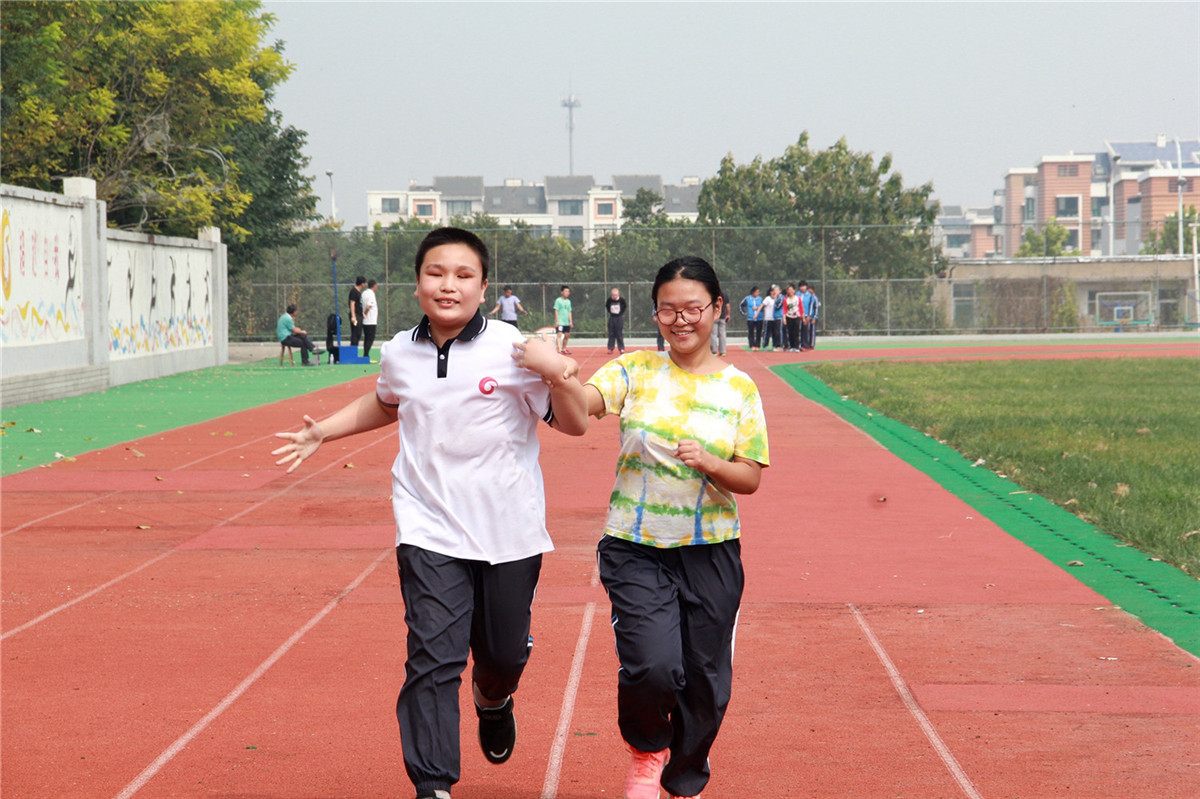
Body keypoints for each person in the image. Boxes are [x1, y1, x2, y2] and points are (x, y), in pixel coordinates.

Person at [272, 227, 588, 799]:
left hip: (509, 530)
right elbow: (386, 401)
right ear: (417, 283)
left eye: (463, 275)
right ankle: (433, 784)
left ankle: (493, 699)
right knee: (432, 657)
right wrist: (325, 430)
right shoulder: (399, 350)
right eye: (436, 273)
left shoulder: (514, 348)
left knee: (501, 654)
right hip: (428, 526)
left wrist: (557, 370)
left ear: (484, 287)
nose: (449, 285)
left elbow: (574, 424)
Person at [579, 256, 769, 799]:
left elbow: (750, 477)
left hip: (710, 550)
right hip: (635, 546)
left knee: (705, 680)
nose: (680, 320)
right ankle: (646, 753)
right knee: (653, 666)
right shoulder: (633, 370)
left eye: (693, 308)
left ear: (718, 310)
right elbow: (583, 404)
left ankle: (683, 779)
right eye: (668, 309)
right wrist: (558, 372)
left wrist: (711, 463)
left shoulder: (740, 388)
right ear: (655, 313)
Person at [739, 286, 763, 351]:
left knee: (759, 332)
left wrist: (758, 308)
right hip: (750, 318)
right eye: (756, 292)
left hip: (759, 318)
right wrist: (745, 313)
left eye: (758, 292)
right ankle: (752, 345)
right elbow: (741, 306)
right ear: (753, 292)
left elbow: (763, 307)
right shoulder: (747, 298)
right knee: (751, 332)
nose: (757, 293)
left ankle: (757, 345)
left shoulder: (761, 299)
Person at [799, 280, 821, 351]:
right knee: (803, 331)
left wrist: (814, 317)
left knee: (810, 332)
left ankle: (810, 345)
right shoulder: (798, 294)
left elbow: (816, 308)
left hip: (810, 317)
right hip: (801, 316)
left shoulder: (813, 297)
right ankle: (803, 345)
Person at [361, 278, 379, 361]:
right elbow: (369, 306)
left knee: (366, 338)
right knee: (370, 338)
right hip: (371, 320)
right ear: (374, 286)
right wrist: (365, 313)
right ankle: (366, 355)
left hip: (365, 321)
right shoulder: (371, 294)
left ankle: (365, 354)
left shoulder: (364, 293)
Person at [606, 287, 627, 354]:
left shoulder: (622, 300)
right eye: (613, 295)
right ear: (611, 295)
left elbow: (624, 307)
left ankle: (621, 348)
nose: (615, 296)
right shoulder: (609, 300)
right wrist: (611, 312)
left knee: (619, 333)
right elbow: (607, 307)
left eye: (616, 295)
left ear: (618, 294)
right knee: (611, 333)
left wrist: (620, 313)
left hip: (619, 318)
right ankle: (610, 348)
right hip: (612, 317)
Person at [709, 289, 730, 356]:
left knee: (713, 334)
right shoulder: (725, 295)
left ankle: (714, 351)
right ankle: (723, 351)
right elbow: (728, 306)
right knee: (722, 334)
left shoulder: (712, 295)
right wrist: (728, 314)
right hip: (722, 317)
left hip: (714, 316)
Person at [782, 283, 802, 352]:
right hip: (789, 316)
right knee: (790, 332)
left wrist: (803, 317)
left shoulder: (798, 298)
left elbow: (801, 308)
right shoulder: (786, 300)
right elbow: (784, 309)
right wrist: (784, 318)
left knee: (796, 332)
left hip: (796, 316)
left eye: (791, 290)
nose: (790, 291)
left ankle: (797, 347)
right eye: (788, 290)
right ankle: (792, 346)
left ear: (794, 290)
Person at [554, 285, 573, 354]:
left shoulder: (568, 301)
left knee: (567, 335)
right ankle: (559, 349)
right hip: (560, 322)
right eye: (566, 291)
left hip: (566, 322)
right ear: (562, 292)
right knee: (559, 334)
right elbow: (556, 310)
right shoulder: (558, 300)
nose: (567, 293)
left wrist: (570, 321)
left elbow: (569, 311)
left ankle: (564, 348)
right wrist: (557, 321)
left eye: (568, 291)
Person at [349, 276, 367, 349]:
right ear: (362, 284)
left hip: (359, 315)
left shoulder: (359, 292)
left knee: (358, 333)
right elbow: (352, 303)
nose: (365, 285)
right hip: (355, 316)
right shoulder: (353, 291)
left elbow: (359, 304)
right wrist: (353, 316)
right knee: (355, 333)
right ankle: (353, 351)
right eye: (364, 283)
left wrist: (362, 313)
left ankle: (355, 349)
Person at [760, 285, 779, 352]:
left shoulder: (778, 299)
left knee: (775, 333)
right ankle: (765, 345)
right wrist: (757, 313)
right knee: (767, 332)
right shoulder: (768, 298)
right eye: (774, 290)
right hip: (768, 318)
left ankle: (775, 345)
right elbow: (762, 306)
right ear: (771, 291)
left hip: (775, 318)